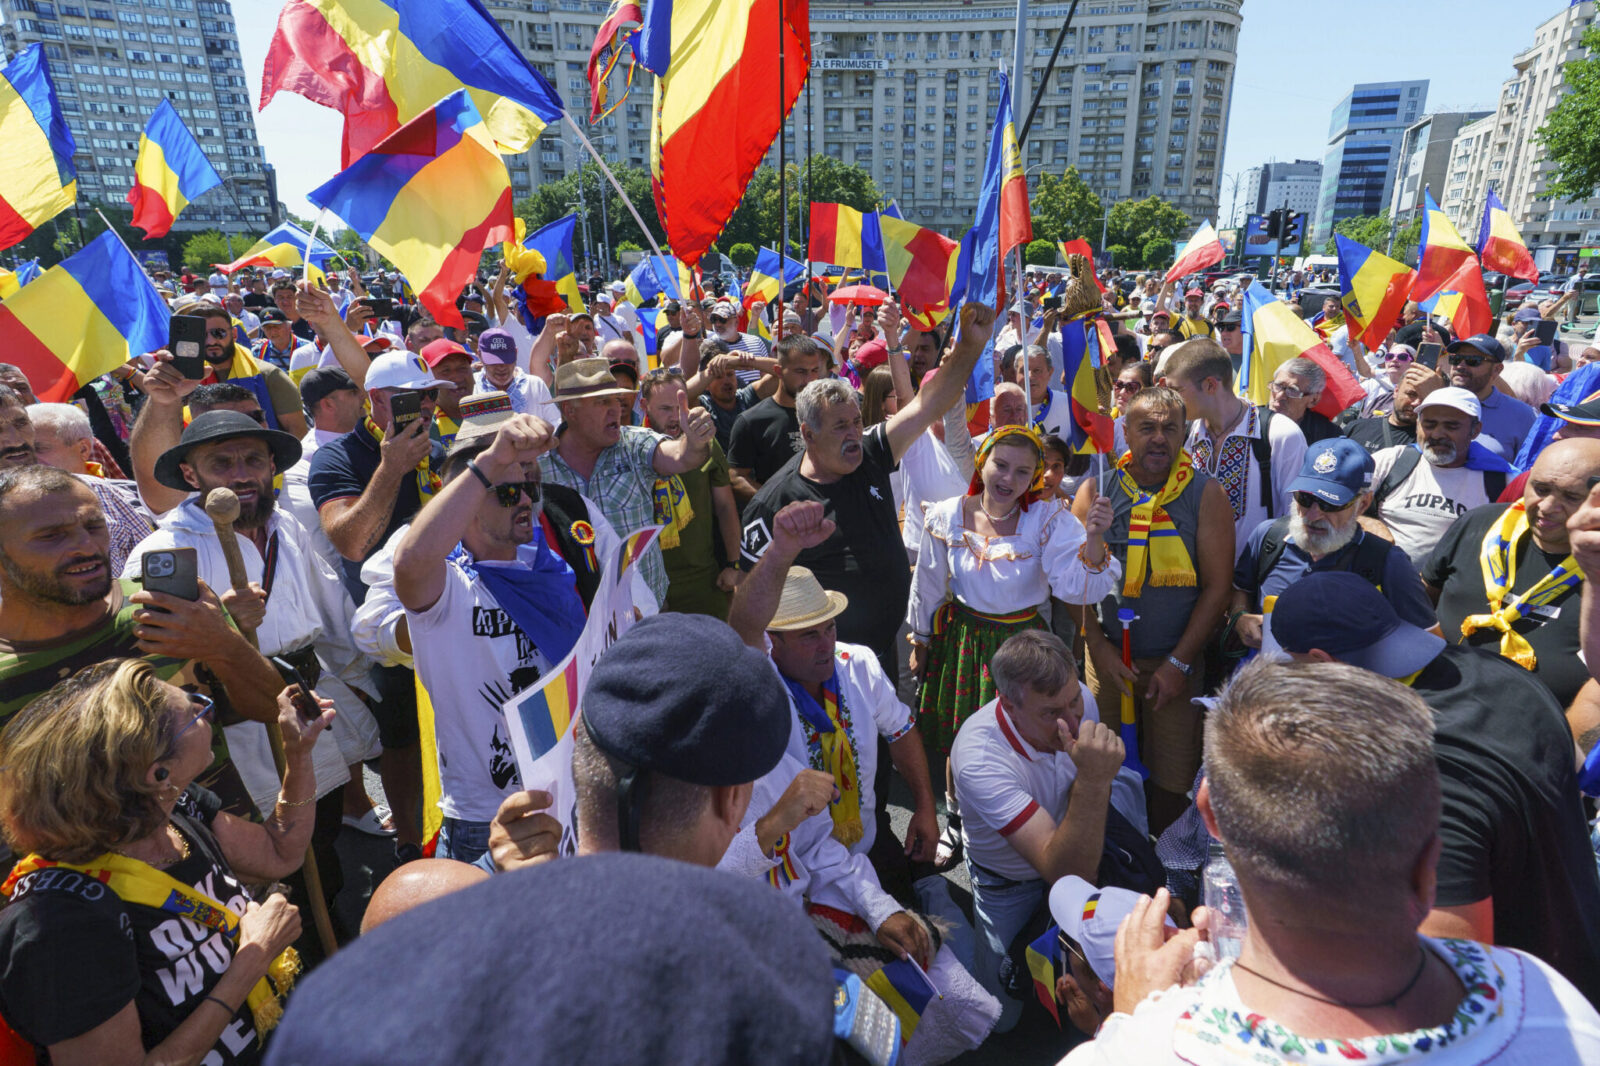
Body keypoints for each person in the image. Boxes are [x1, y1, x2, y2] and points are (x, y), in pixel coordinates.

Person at [1062, 655, 1600, 1063]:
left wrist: (1134, 1019)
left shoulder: (1145, 1048)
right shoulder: (1556, 1010)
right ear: (1429, 861)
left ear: (1210, 814)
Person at [1272, 574, 1600, 1007]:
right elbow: (1576, 786)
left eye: (1293, 667)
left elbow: (1453, 965)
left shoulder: (1415, 772)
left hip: (1525, 1014)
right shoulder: (1506, 675)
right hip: (1579, 964)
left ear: (1321, 661)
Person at [0, 660, 331, 1065]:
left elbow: (280, 852)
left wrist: (298, 753)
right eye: (194, 710)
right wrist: (253, 958)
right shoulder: (59, 925)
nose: (204, 707)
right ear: (158, 773)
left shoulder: (176, 809)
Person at [124, 411, 370, 919]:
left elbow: (327, 606)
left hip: (303, 705)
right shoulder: (167, 552)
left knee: (320, 841)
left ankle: (335, 946)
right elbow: (149, 671)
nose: (241, 475)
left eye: (253, 460)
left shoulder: (286, 527)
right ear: (191, 476)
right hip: (233, 738)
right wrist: (226, 631)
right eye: (222, 462)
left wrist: (357, 678)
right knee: (261, 867)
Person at [390, 402, 624, 863]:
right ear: (466, 501)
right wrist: (489, 461)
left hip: (574, 798)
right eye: (505, 493)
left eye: (529, 490)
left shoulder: (551, 570)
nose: (524, 502)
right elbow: (409, 564)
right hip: (490, 820)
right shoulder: (449, 588)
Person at [0, 465, 286, 821]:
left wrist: (224, 645)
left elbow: (272, 709)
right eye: (51, 536)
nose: (87, 547)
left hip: (230, 856)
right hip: (94, 874)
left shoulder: (172, 608)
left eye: (93, 526)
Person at [740, 303, 997, 685]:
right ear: (808, 434)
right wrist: (780, 551)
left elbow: (928, 405)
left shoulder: (872, 450)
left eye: (857, 421)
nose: (853, 434)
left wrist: (970, 347)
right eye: (840, 426)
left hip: (881, 659)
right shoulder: (774, 503)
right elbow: (746, 615)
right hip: (820, 677)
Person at [908, 425, 1119, 862]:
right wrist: (922, 640)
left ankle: (1035, 820)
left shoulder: (1048, 520)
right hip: (966, 640)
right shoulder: (947, 514)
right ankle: (959, 822)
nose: (1008, 478)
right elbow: (927, 584)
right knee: (960, 736)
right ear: (982, 462)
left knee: (1037, 734)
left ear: (1036, 477)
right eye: (1000, 464)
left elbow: (1079, 586)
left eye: (1023, 472)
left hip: (1026, 644)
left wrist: (1094, 538)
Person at [951, 629, 1148, 1032]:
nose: (1071, 723)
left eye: (1074, 701)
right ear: (1007, 704)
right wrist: (1094, 781)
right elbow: (1064, 874)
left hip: (1075, 849)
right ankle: (938, 899)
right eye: (1050, 713)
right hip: (1011, 882)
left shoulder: (1080, 701)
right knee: (1000, 1018)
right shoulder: (980, 757)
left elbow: (1073, 862)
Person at [728, 503, 941, 876]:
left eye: (829, 627)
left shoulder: (857, 662)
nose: (826, 643)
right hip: (793, 868)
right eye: (809, 635)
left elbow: (901, 730)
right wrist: (781, 550)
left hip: (865, 849)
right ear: (770, 641)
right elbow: (742, 626)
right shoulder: (757, 683)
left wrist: (924, 806)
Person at [1070, 386, 1234, 830]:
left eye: (1169, 429)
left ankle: (1165, 871)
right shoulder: (1094, 492)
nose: (1158, 438)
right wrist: (1100, 652)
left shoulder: (1206, 494)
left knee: (1173, 781)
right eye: (1146, 428)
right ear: (1125, 432)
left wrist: (1178, 664)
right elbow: (1069, 586)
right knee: (1100, 771)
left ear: (1185, 435)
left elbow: (1218, 590)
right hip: (1105, 660)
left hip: (1175, 666)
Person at [1421, 437, 1600, 708]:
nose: (1547, 507)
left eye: (1571, 497)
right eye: (1540, 488)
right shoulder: (1480, 523)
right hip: (1438, 707)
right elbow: (1423, 598)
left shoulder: (1595, 568)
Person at [538, 356, 716, 608]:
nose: (617, 409)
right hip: (577, 619)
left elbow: (680, 457)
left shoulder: (634, 445)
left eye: (616, 400)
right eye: (602, 402)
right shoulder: (538, 466)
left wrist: (695, 441)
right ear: (570, 410)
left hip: (644, 611)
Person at [1231, 438, 1435, 649]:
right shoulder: (1268, 536)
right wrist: (1240, 617)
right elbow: (1241, 590)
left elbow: (1430, 640)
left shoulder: (1389, 562)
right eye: (1305, 498)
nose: (1313, 514)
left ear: (1363, 504)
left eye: (1330, 503)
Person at [1163, 338, 1307, 560]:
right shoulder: (1189, 434)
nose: (1171, 400)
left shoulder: (1279, 433)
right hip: (1197, 578)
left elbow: (1297, 518)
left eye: (1176, 390)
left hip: (1256, 580)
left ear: (1210, 385)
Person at [1370, 386, 1517, 569]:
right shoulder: (1391, 461)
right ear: (1417, 425)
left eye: (1451, 426)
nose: (1438, 434)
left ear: (1475, 431)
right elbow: (1337, 509)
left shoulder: (1502, 481)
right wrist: (1367, 523)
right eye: (1429, 425)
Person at [7, 392, 152, 575]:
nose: (26, 457)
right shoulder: (8, 501)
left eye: (39, 448)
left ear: (83, 448)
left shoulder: (115, 495)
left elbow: (152, 558)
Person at [639, 368, 744, 618]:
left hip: (704, 583)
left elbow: (725, 507)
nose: (676, 417)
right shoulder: (630, 450)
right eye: (665, 409)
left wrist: (733, 564)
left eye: (680, 407)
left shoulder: (706, 443)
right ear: (644, 406)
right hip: (650, 589)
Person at [726, 334, 823, 503]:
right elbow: (736, 478)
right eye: (800, 371)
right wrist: (778, 502)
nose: (809, 380)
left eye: (814, 371)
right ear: (778, 371)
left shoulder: (825, 414)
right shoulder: (752, 421)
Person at [1443, 334, 1536, 458]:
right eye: (1456, 359)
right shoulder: (1434, 404)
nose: (1460, 366)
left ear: (1497, 369)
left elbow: (1527, 468)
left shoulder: (1521, 414)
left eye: (1473, 360)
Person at [1347, 361, 1439, 453]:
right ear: (1396, 391)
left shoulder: (1431, 442)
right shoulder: (1357, 428)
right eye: (1411, 394)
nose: (1417, 403)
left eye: (1425, 397)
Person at [473, 327, 557, 424]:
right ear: (479, 355)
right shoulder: (472, 387)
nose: (501, 367)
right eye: (494, 362)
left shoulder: (535, 385)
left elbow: (555, 424)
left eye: (507, 359)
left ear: (516, 353)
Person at [1267, 356, 1341, 446]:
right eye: (1277, 386)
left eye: (1292, 390)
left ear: (1313, 400)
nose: (1279, 396)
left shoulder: (1328, 436)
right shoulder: (1251, 419)